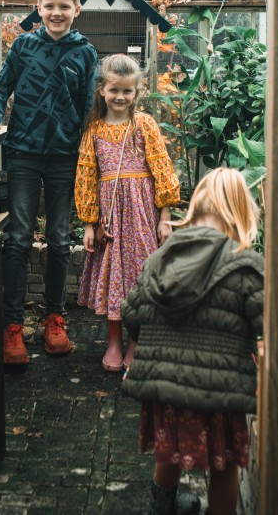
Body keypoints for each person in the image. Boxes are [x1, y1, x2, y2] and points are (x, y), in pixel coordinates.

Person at [0, 0, 98, 365]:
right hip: (21, 152)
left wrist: (93, 154)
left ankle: (54, 318)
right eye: (49, 6)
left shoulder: (86, 54)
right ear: (38, 10)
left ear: (77, 10)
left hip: (64, 157)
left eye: (64, 6)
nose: (56, 13)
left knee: (58, 239)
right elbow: (0, 90)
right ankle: (13, 325)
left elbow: (90, 108)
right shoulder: (23, 46)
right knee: (19, 237)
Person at [121, 167, 264, 515]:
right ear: (241, 212)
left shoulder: (159, 259)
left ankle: (162, 507)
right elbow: (273, 326)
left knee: (167, 448)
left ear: (196, 207)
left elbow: (131, 315)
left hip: (165, 387)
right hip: (219, 390)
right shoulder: (245, 265)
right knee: (224, 462)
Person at [75, 53, 180, 373]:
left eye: (127, 91)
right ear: (102, 91)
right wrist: (89, 223)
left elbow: (162, 169)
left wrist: (164, 218)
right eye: (114, 90)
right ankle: (114, 343)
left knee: (139, 277)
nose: (120, 97)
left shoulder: (144, 125)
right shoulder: (93, 130)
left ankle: (136, 342)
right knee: (112, 278)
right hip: (110, 219)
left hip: (141, 216)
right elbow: (86, 176)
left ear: (137, 93)